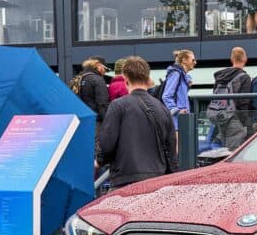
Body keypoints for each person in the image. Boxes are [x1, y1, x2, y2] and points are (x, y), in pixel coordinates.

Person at [98, 56, 177, 190]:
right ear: (147, 78)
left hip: (125, 178)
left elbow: (107, 143)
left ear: (126, 78)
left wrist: (100, 161)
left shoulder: (118, 106)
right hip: (156, 180)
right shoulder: (162, 108)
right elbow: (171, 147)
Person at [209, 46, 252, 150]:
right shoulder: (244, 77)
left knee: (225, 150)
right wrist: (244, 122)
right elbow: (243, 102)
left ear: (232, 59)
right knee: (234, 151)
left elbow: (214, 94)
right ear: (245, 59)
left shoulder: (221, 76)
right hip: (235, 118)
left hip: (220, 116)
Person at [76, 57, 110, 171]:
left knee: (86, 154)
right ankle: (100, 185)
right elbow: (102, 104)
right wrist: (108, 122)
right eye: (105, 69)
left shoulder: (80, 78)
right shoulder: (97, 80)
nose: (105, 72)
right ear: (98, 66)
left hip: (83, 122)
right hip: (97, 121)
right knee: (99, 153)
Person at [162, 49, 195, 136]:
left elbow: (179, 96)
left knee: (181, 148)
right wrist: (176, 110)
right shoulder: (176, 74)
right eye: (193, 60)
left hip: (181, 120)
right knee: (178, 148)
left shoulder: (182, 75)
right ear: (184, 60)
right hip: (176, 121)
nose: (195, 62)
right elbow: (166, 95)